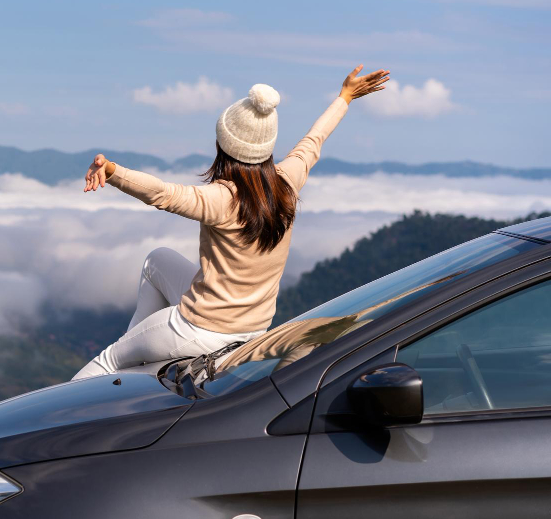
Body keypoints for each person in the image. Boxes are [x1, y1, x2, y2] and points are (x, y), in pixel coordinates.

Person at [72, 65, 390, 380]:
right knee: (157, 260)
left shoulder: (222, 199)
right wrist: (345, 97)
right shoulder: (287, 183)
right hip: (252, 330)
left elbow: (163, 194)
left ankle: (43, 424)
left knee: (110, 359)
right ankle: (141, 361)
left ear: (224, 145)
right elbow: (313, 142)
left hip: (200, 329)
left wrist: (113, 171)